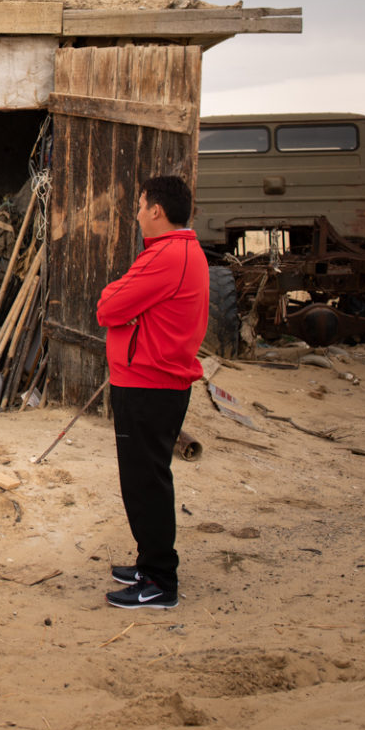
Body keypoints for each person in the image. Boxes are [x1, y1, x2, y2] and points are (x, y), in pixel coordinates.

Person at [96, 175, 210, 611]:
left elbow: (108, 306)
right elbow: (122, 303)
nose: (138, 212)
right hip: (150, 381)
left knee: (146, 484)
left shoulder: (167, 257)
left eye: (141, 205)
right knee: (145, 480)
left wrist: (120, 299)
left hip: (149, 384)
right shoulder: (175, 253)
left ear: (157, 210)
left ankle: (160, 580)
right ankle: (149, 565)